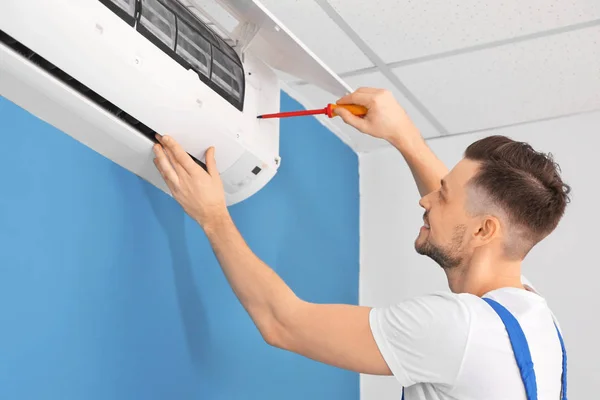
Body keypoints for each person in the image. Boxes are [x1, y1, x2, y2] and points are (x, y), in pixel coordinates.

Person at [151, 87, 569, 400]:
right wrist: (402, 135)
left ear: (484, 232)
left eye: (442, 195)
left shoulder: (457, 328)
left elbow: (283, 323)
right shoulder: (531, 317)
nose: (426, 200)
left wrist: (212, 216)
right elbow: (466, 212)